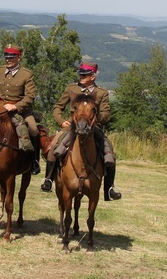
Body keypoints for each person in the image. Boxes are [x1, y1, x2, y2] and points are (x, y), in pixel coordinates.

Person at [40, 62, 122, 201]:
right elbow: (58, 107)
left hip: (92, 127)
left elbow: (106, 114)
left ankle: (109, 188)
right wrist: (61, 121)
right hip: (72, 126)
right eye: (81, 74)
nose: (81, 76)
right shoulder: (72, 89)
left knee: (109, 150)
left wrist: (95, 119)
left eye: (85, 74)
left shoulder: (101, 93)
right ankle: (48, 179)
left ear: (93, 76)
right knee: (54, 145)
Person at [0, 44, 41, 174]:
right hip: (0, 109)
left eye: (12, 57)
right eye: (6, 56)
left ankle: (34, 161)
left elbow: (30, 96)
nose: (8, 59)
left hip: (20, 110)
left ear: (19, 57)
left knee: (33, 130)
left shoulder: (26, 74)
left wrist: (15, 106)